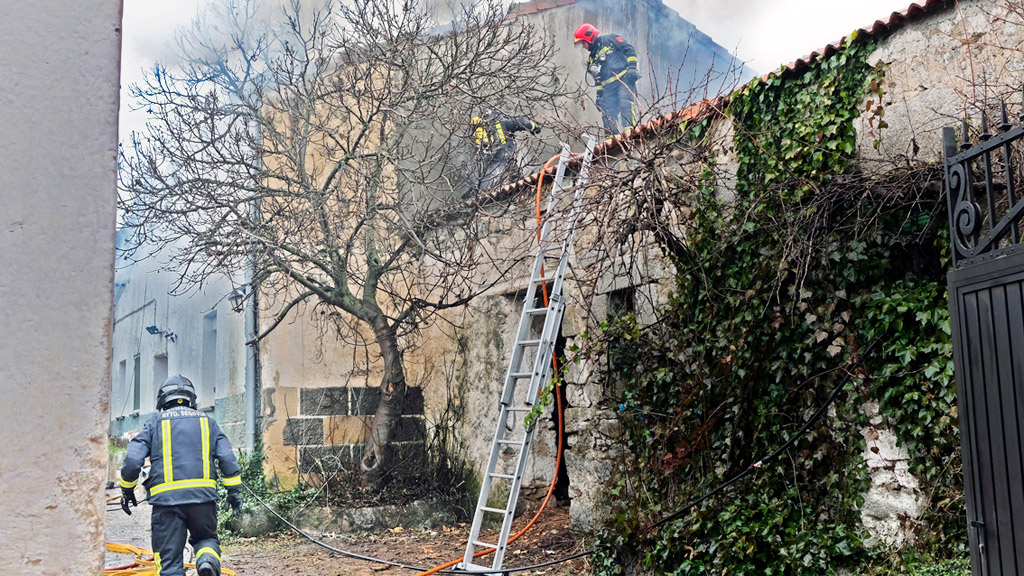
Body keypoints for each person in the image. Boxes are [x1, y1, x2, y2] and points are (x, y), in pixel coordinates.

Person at [120, 374, 243, 576]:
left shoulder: (153, 424)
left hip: (166, 504)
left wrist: (127, 489)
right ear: (191, 399)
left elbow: (133, 460)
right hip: (203, 500)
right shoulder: (208, 422)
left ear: (162, 400)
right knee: (206, 539)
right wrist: (234, 491)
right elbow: (227, 458)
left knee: (169, 563)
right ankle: (206, 560)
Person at [573, 23, 639, 134]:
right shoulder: (592, 58)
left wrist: (632, 67)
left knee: (625, 104)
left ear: (590, 38)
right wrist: (599, 95)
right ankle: (612, 142)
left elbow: (629, 49)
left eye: (583, 43)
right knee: (607, 115)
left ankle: (631, 135)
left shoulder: (610, 39)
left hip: (624, 80)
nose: (583, 46)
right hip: (608, 88)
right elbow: (599, 80)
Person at [466, 111, 542, 197]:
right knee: (515, 180)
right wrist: (533, 126)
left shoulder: (478, 134)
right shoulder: (502, 123)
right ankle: (521, 194)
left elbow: (474, 157)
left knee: (488, 182)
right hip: (507, 158)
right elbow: (519, 121)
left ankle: (476, 192)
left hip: (491, 166)